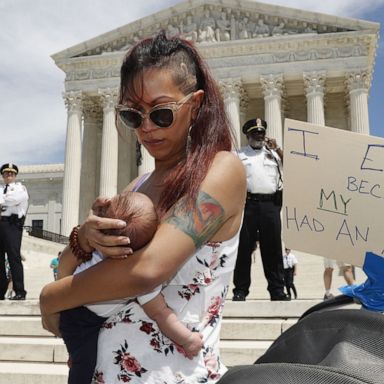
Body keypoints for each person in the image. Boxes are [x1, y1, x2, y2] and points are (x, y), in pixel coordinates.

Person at [40, 31, 246, 384]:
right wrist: (84, 237)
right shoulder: (137, 186)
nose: (147, 127)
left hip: (173, 376)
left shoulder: (222, 168)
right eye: (134, 116)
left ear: (194, 104)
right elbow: (70, 268)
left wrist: (49, 298)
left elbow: (148, 269)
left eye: (161, 113)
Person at [60, 190, 203, 384]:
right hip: (81, 321)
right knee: (83, 365)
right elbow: (161, 315)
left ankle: (76, 352)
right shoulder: (135, 279)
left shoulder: (95, 249)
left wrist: (97, 213)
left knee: (82, 354)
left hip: (74, 309)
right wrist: (187, 340)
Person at [232, 118, 289, 302]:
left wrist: (277, 149)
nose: (259, 136)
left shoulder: (274, 155)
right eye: (255, 133)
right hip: (248, 205)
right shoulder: (239, 155)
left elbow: (293, 167)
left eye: (262, 132)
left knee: (272, 249)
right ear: (248, 136)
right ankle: (240, 290)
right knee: (243, 249)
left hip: (270, 206)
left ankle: (277, 290)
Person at [0, 163, 28, 301]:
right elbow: (10, 201)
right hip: (0, 224)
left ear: (15, 175)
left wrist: (4, 201)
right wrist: (7, 201)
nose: (8, 175)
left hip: (12, 225)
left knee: (13, 257)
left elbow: (15, 199)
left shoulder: (20, 188)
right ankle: (0, 290)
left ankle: (20, 291)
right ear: (3, 175)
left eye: (11, 173)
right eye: (6, 173)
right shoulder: (0, 189)